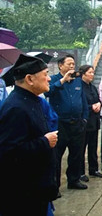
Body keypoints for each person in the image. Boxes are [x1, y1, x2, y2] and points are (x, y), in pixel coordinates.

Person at [0, 54, 59, 215]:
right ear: (30, 79)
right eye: (45, 74)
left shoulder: (32, 101)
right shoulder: (15, 108)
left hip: (37, 188)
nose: (48, 79)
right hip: (23, 194)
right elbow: (9, 153)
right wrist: (45, 142)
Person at [45, 54, 89, 191]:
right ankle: (55, 185)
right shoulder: (53, 80)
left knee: (76, 154)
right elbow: (48, 92)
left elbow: (83, 101)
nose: (72, 66)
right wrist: (63, 80)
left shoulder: (78, 81)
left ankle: (74, 180)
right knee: (57, 156)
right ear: (60, 65)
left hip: (77, 123)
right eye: (69, 64)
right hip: (60, 124)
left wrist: (84, 118)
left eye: (73, 64)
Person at [79, 65, 102, 180]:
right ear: (83, 73)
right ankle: (80, 172)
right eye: (90, 72)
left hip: (94, 120)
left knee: (93, 147)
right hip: (84, 121)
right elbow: (80, 104)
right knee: (81, 147)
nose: (92, 75)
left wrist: (99, 104)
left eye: (93, 72)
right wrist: (91, 107)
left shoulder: (92, 87)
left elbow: (98, 99)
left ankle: (93, 169)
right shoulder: (79, 87)